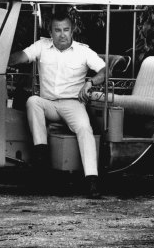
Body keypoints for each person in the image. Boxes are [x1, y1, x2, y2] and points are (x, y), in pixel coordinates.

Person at [8, 11, 106, 199]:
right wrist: (0, 58)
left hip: (73, 104)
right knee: (32, 101)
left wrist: (90, 83)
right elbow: (21, 57)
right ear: (51, 32)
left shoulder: (83, 51)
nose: (62, 34)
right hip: (49, 104)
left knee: (85, 128)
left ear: (72, 31)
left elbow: (103, 71)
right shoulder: (42, 46)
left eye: (66, 30)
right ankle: (41, 154)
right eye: (58, 30)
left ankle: (92, 179)